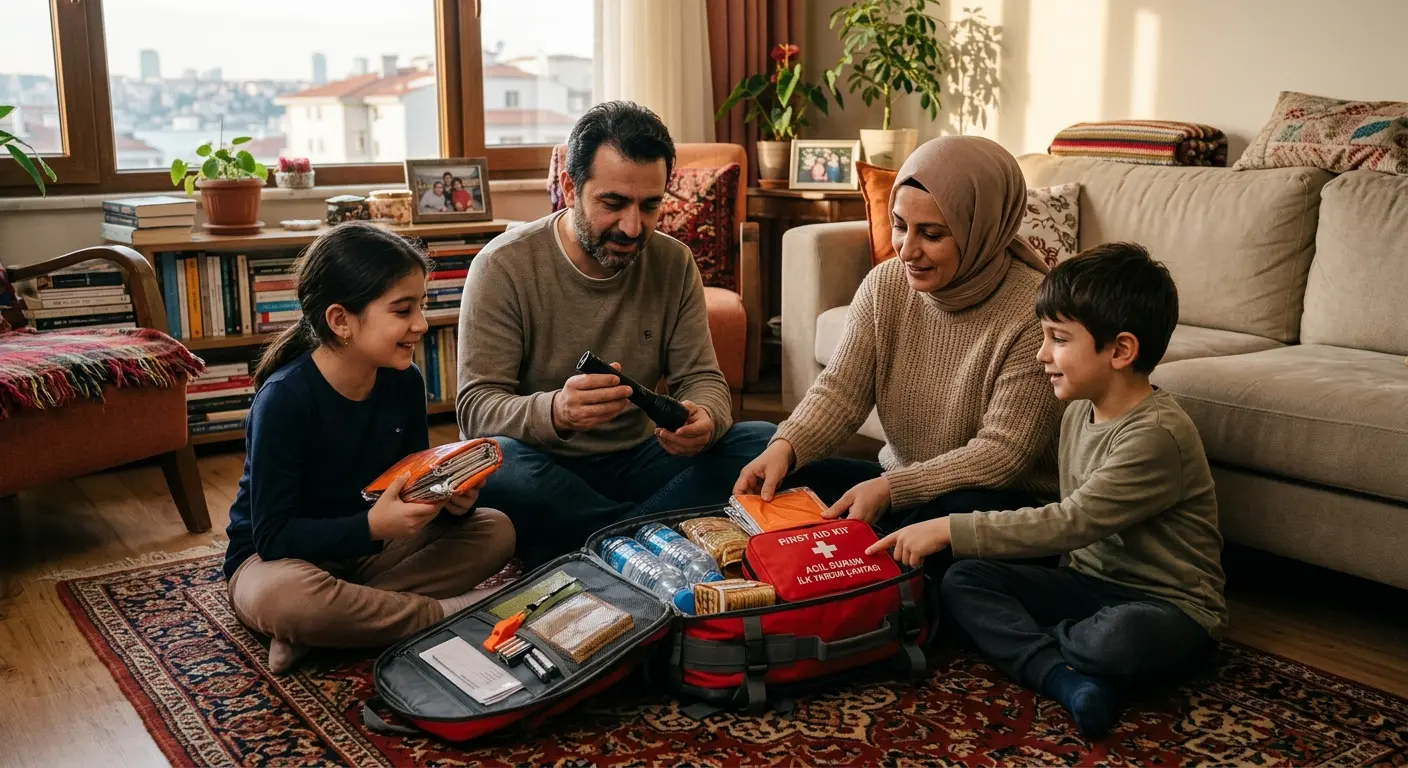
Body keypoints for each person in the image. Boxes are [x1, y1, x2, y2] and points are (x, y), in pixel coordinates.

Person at [870, 243, 1226, 740]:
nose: (1042, 355)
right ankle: (1066, 679)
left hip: (1166, 607)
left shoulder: (1156, 436)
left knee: (1114, 640)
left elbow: (1068, 522)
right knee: (965, 582)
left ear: (1121, 351)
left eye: (1058, 339)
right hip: (1084, 586)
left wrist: (946, 529)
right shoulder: (1079, 407)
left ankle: (1049, 653)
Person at [456, 101, 771, 565]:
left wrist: (705, 419)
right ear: (569, 187)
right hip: (546, 464)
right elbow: (475, 408)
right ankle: (653, 535)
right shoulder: (503, 266)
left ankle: (603, 541)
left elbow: (703, 378)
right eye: (613, 203)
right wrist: (557, 411)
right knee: (500, 467)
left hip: (643, 459)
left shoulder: (673, 261)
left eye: (650, 206)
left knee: (762, 439)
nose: (632, 227)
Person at [735, 136, 1065, 565]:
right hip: (904, 486)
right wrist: (788, 446)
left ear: (983, 227)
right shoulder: (884, 284)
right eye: (899, 225)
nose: (907, 250)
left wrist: (892, 490)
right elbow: (840, 391)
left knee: (932, 535)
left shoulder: (1035, 311)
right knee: (755, 448)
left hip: (996, 506)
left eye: (931, 234)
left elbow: (1003, 454)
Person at [224, 222, 516, 674]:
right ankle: (444, 613)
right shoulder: (285, 399)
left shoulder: (404, 379)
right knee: (287, 599)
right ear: (341, 321)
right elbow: (273, 536)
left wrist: (450, 500)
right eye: (402, 310)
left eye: (420, 306)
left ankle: (326, 631)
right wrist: (371, 526)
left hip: (374, 555)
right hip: (280, 561)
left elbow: (413, 480)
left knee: (495, 530)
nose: (421, 323)